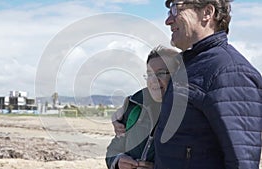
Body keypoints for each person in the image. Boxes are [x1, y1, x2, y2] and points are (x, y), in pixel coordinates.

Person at [154, 0, 262, 169]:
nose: (168, 21)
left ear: (207, 13)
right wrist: (128, 108)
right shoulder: (190, 65)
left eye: (176, 9)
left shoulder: (230, 71)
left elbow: (242, 162)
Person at [105, 45, 180, 169]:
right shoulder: (134, 107)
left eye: (161, 73)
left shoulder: (187, 115)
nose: (153, 80)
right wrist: (118, 161)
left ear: (177, 76)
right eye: (149, 74)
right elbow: (113, 150)